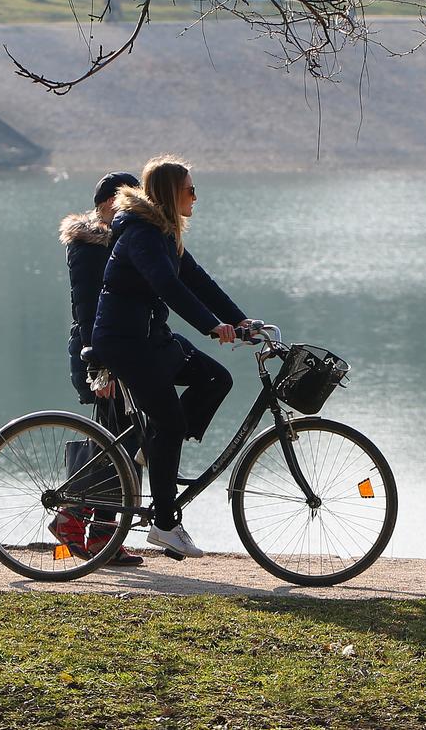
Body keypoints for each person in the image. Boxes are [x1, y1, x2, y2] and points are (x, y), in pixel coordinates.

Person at [91, 156, 253, 558]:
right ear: (169, 193)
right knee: (170, 419)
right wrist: (211, 326)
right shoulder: (142, 235)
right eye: (190, 190)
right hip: (125, 343)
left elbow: (198, 281)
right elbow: (168, 286)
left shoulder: (164, 234)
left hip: (151, 338)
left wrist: (241, 320)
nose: (196, 197)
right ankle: (165, 524)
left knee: (216, 379)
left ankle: (155, 450)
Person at [56, 172, 144, 567]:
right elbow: (88, 310)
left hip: (119, 354)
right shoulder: (90, 245)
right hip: (99, 357)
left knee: (123, 443)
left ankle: (100, 536)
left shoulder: (121, 241)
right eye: (131, 198)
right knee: (115, 444)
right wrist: (101, 368)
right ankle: (73, 518)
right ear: (111, 201)